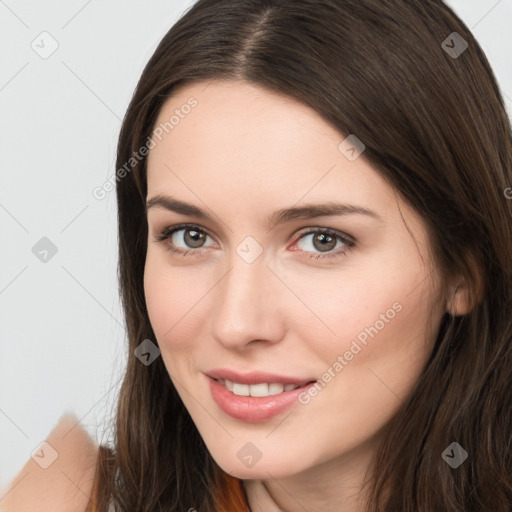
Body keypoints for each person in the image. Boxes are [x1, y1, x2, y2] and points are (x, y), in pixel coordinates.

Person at [2, 0, 512, 510]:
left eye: (321, 240)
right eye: (191, 236)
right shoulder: (58, 493)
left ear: (465, 268)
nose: (236, 323)